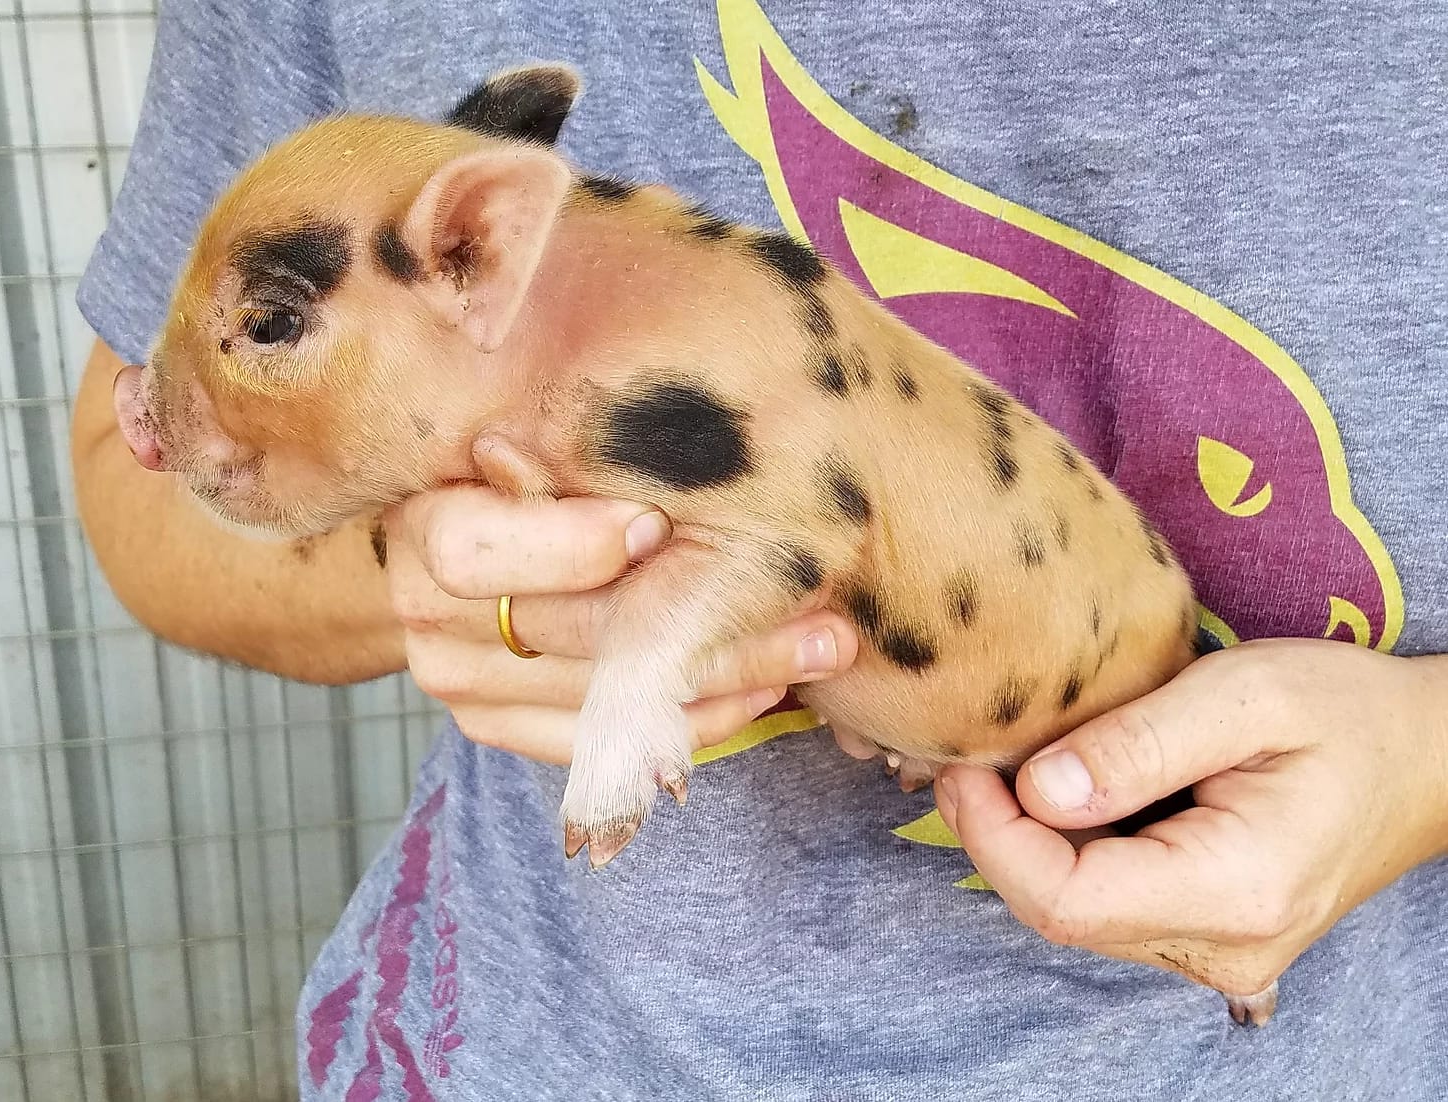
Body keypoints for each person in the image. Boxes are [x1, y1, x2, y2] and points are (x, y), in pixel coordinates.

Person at [71, 0, 1448, 1097]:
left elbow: (778, 530)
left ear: (481, 242)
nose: (161, 408)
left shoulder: (685, 370)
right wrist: (421, 574)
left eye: (260, 330)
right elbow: (124, 492)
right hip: (521, 1040)